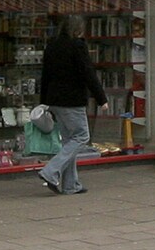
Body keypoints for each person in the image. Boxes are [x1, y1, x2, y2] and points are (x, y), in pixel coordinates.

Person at [37, 16, 108, 195]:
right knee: (82, 136)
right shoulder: (77, 46)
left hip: (54, 100)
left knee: (69, 141)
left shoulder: (52, 46)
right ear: (78, 29)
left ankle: (70, 185)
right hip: (72, 100)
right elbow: (88, 73)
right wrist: (101, 98)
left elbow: (45, 75)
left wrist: (44, 101)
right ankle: (51, 171)